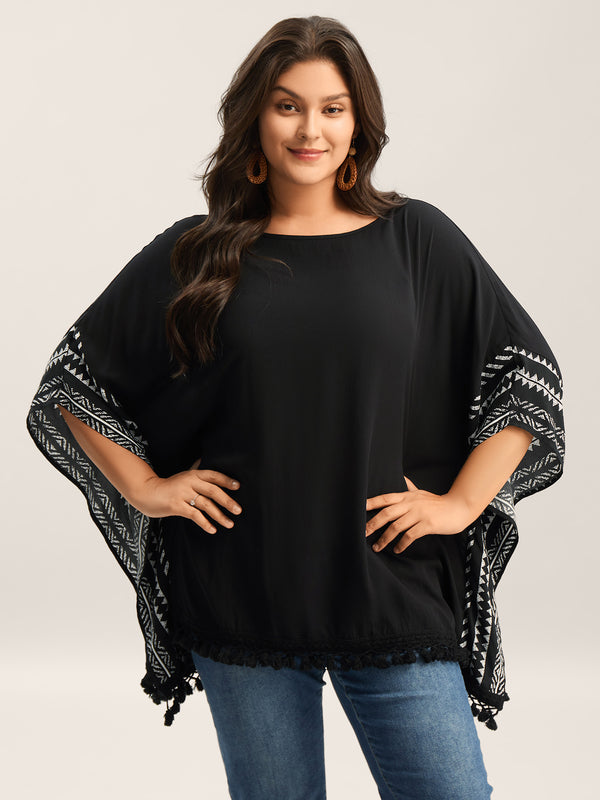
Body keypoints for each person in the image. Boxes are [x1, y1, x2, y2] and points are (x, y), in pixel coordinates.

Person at [26, 14, 565, 800]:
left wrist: (460, 503)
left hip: (390, 588)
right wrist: (144, 487)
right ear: (256, 117)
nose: (311, 130)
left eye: (332, 108)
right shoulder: (197, 252)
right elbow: (74, 382)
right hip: (244, 591)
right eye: (288, 106)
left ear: (358, 123)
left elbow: (524, 375)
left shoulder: (416, 239)